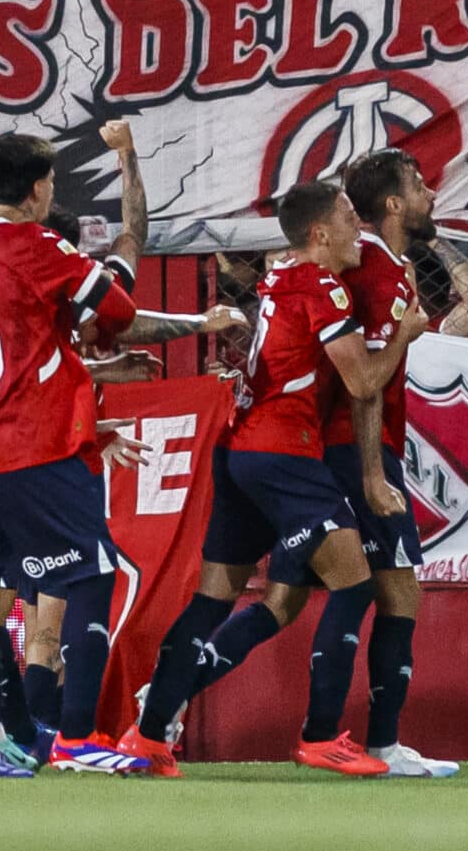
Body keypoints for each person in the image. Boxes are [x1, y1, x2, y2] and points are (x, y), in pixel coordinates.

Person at [123, 180, 427, 779]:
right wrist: (403, 335)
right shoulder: (322, 286)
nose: (357, 228)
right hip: (285, 452)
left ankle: (150, 733)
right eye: (348, 218)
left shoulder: (283, 274)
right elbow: (364, 382)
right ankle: (320, 738)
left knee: (214, 600)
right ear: (320, 233)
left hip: (240, 448)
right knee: (355, 586)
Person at [0, 134, 147, 777]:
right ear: (37, 190)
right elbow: (119, 308)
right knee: (92, 574)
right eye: (49, 182)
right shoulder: (39, 245)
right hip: (28, 445)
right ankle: (76, 737)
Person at [317, 148, 460, 777]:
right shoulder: (377, 271)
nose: (432, 195)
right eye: (421, 186)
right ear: (396, 204)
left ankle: (163, 702)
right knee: (398, 589)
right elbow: (364, 386)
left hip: (339, 447)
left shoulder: (384, 265)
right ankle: (380, 745)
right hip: (355, 450)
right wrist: (374, 475)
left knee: (281, 600)